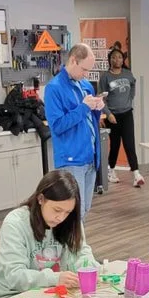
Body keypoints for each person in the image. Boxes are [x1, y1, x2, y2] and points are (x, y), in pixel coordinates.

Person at [0, 169, 97, 298]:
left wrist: (88, 268)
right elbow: (15, 276)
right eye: (57, 210)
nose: (61, 218)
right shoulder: (15, 224)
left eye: (67, 212)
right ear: (41, 199)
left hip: (53, 293)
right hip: (15, 297)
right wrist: (55, 278)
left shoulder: (70, 221)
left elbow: (81, 252)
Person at [44, 43, 104, 221]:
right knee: (72, 214)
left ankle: (76, 248)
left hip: (90, 157)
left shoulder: (85, 85)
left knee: (83, 211)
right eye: (84, 69)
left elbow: (89, 119)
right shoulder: (54, 88)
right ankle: (70, 248)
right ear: (73, 60)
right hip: (71, 159)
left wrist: (97, 108)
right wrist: (83, 107)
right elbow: (58, 125)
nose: (86, 74)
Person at [98, 47, 144, 188]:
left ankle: (136, 174)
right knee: (115, 145)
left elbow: (133, 85)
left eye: (119, 57)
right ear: (109, 60)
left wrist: (130, 99)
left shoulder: (128, 74)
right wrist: (108, 114)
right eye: (113, 57)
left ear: (122, 59)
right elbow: (101, 98)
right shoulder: (105, 77)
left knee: (129, 143)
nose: (116, 59)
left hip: (127, 113)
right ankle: (111, 170)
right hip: (113, 115)